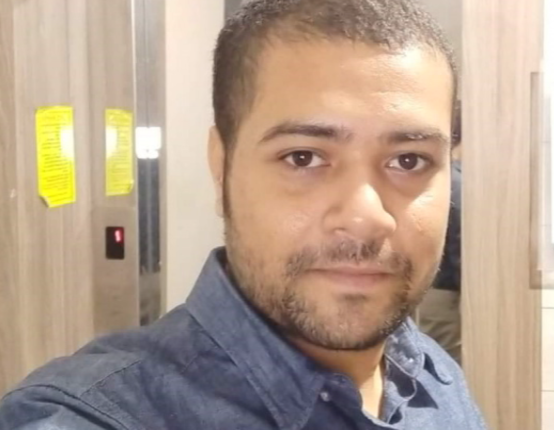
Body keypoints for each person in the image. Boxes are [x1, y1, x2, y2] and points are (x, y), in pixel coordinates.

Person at [0, 1, 487, 429]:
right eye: (303, 157)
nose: (366, 218)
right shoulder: (96, 414)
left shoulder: (433, 375)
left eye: (409, 161)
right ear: (222, 168)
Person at [419, 112, 462, 365]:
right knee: (444, 361)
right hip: (444, 291)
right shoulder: (454, 182)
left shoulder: (438, 180)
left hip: (431, 287)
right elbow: (458, 242)